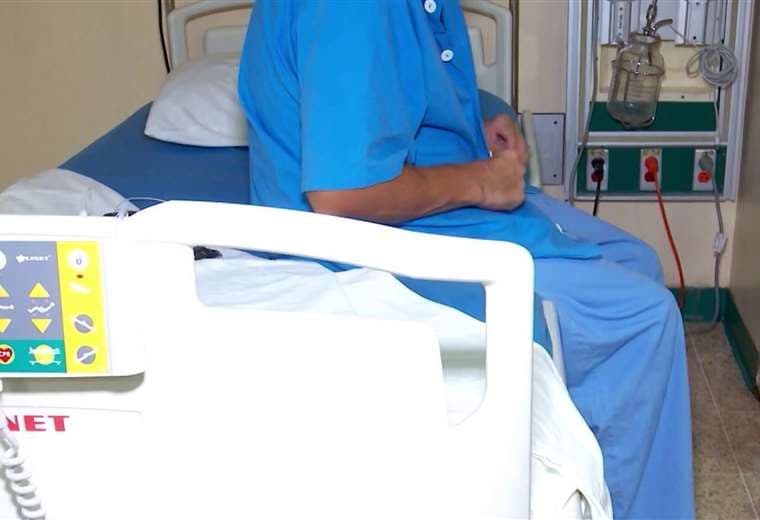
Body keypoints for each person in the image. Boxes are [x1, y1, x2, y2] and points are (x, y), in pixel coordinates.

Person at [238, 1, 694, 518]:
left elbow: (380, 90)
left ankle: (593, 462)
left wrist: (474, 123)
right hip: (357, 240)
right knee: (645, 317)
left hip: (417, 204)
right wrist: (481, 181)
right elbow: (343, 196)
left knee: (635, 259)